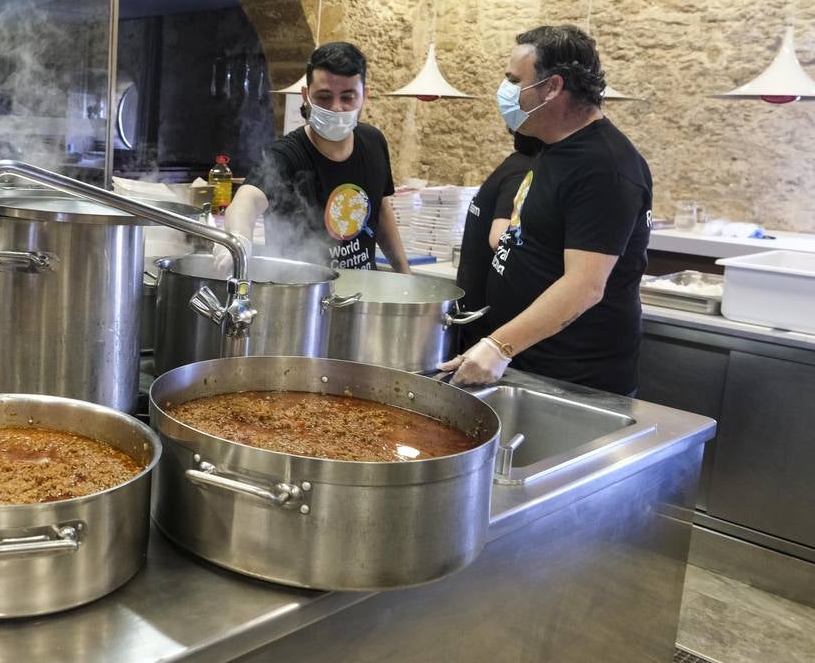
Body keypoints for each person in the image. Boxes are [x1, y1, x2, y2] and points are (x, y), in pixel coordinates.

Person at [439, 25, 652, 395]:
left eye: (513, 80)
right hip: (525, 365)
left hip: (572, 382)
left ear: (552, 87)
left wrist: (499, 344)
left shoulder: (604, 167)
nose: (504, 91)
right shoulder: (554, 148)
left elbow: (584, 285)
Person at [219, 42, 410, 274]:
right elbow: (245, 202)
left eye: (348, 97)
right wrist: (239, 238)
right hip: (302, 297)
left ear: (364, 96)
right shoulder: (286, 155)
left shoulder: (373, 142)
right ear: (306, 95)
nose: (336, 108)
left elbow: (380, 209)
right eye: (324, 97)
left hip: (362, 294)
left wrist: (405, 274)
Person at [454, 131, 543, 350]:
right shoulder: (525, 170)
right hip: (486, 316)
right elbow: (499, 238)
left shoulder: (513, 163)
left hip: (473, 306)